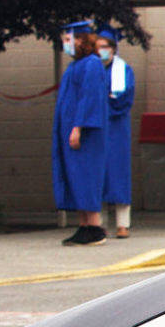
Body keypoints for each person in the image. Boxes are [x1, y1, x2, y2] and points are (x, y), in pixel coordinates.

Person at [51, 20, 108, 246]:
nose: (65, 44)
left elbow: (89, 98)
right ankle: (84, 225)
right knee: (75, 177)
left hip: (85, 134)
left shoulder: (92, 64)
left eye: (67, 40)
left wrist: (78, 127)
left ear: (81, 40)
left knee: (86, 176)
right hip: (71, 131)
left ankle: (94, 227)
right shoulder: (76, 65)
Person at [96, 25, 135, 238]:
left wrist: (106, 105)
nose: (101, 50)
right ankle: (100, 223)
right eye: (98, 46)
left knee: (118, 174)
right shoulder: (93, 68)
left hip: (117, 127)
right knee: (99, 174)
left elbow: (125, 96)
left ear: (113, 49)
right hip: (97, 128)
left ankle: (122, 224)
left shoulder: (124, 70)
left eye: (104, 47)